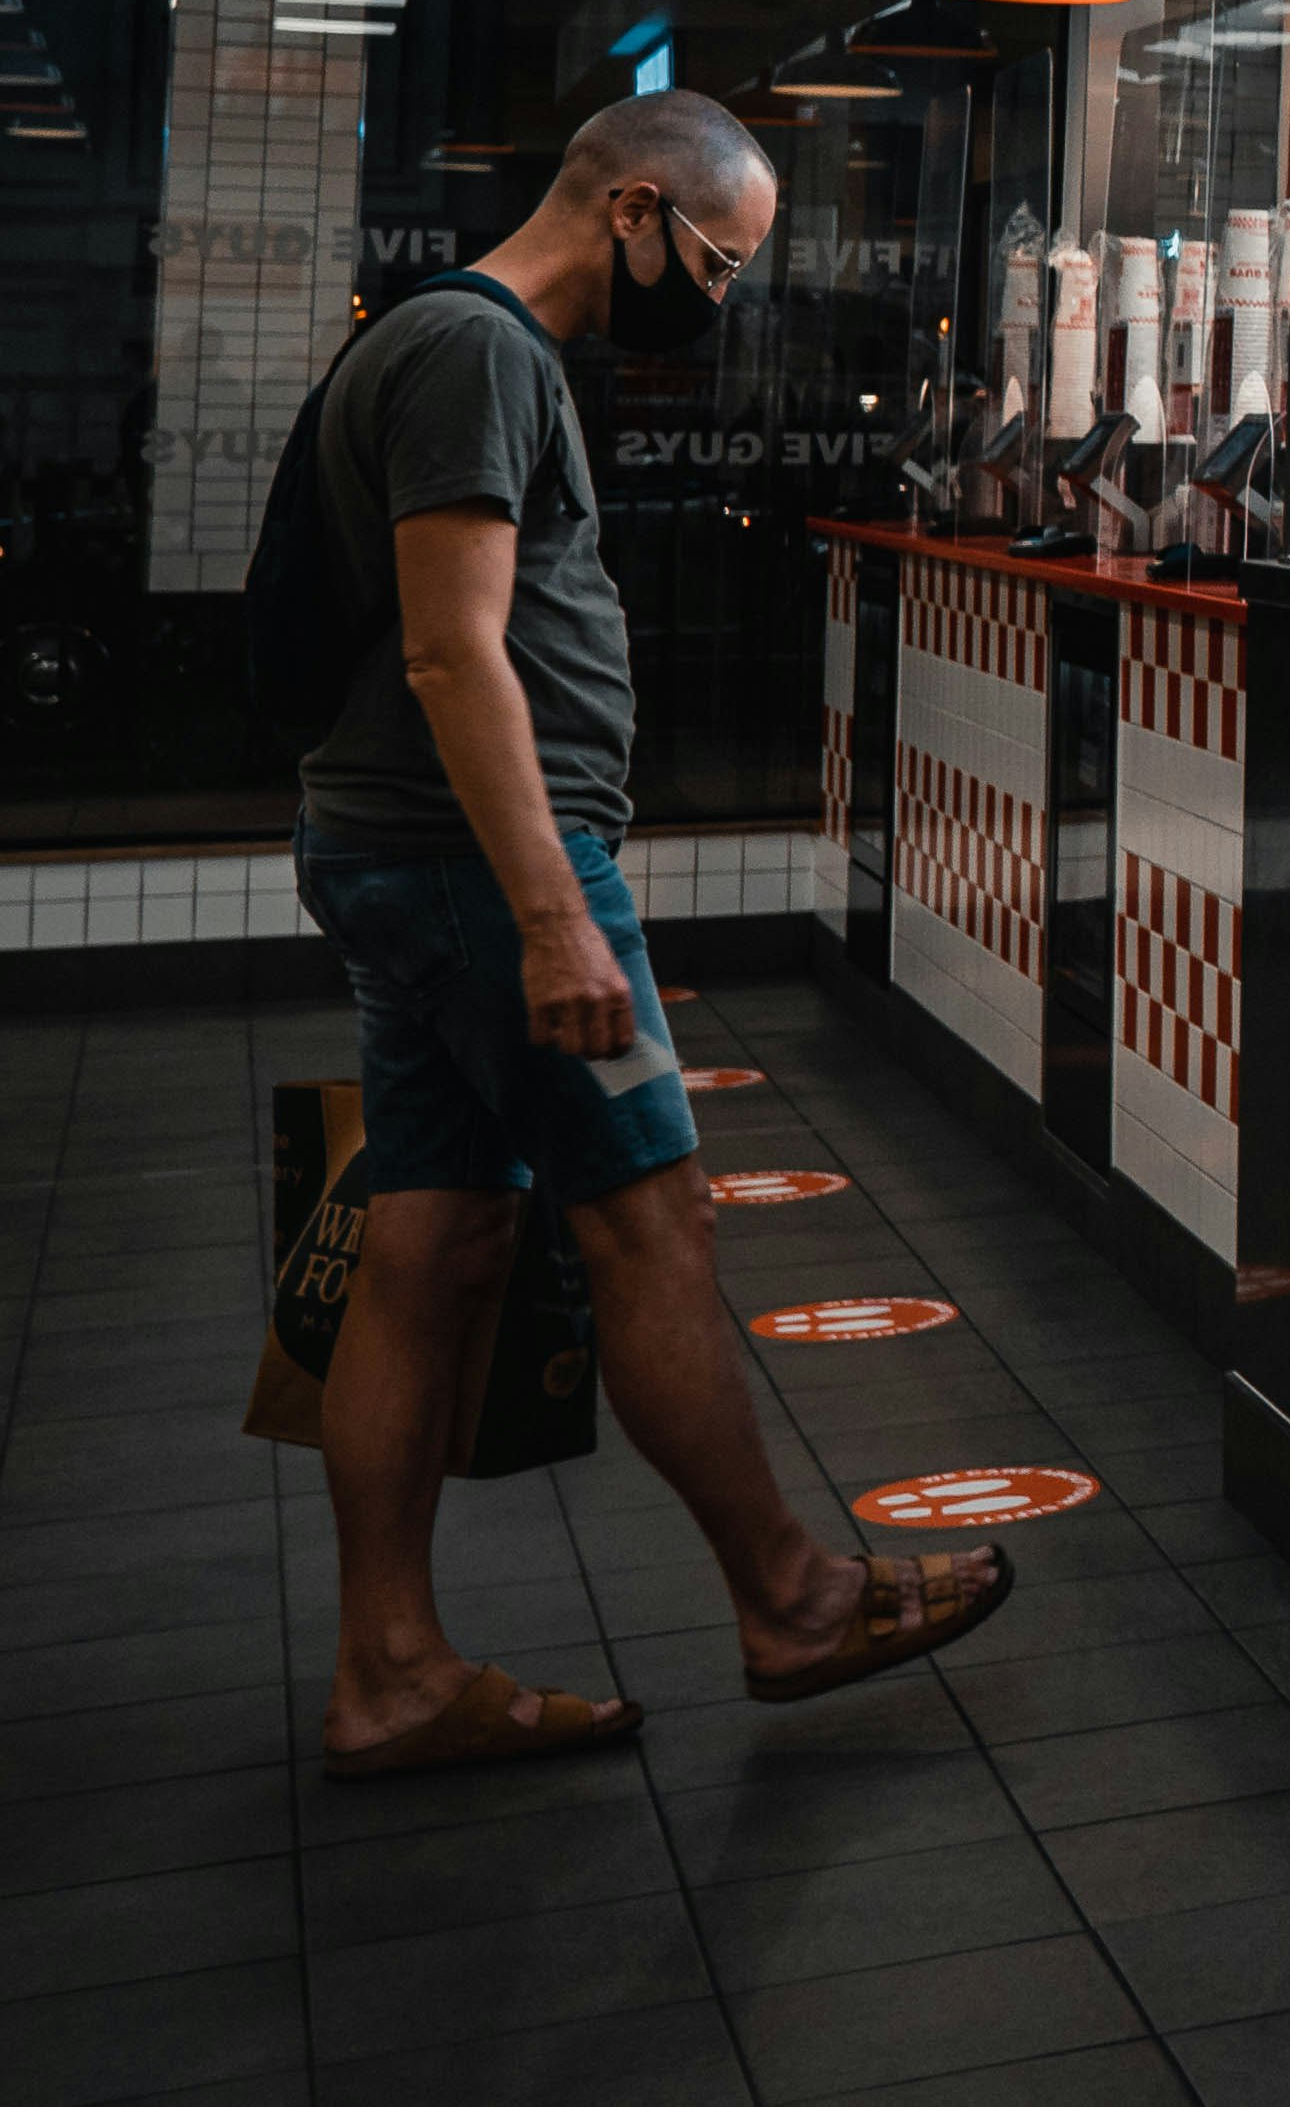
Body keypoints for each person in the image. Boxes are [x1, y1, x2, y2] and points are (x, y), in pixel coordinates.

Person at [290, 88, 1012, 1777]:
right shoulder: (475, 354)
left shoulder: (450, 343)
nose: (724, 294)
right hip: (482, 866)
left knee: (436, 1243)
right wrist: (553, 910)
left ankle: (388, 1668)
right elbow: (457, 652)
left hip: (413, 849)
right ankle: (789, 1598)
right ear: (627, 208)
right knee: (651, 1218)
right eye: (718, 255)